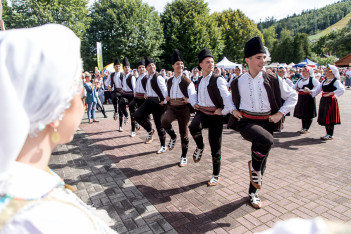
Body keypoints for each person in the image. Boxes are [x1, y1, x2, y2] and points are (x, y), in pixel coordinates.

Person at [0, 24, 116, 233]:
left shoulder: (16, 176)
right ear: (56, 112)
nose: (82, 105)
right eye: (77, 95)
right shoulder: (49, 220)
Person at [228, 36, 297, 209]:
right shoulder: (238, 81)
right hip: (246, 121)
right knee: (265, 141)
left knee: (262, 158)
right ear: (247, 60)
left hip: (267, 121)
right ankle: (256, 174)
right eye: (258, 57)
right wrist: (232, 109)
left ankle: (253, 193)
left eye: (264, 57)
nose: (263, 61)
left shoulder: (273, 79)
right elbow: (228, 98)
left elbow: (292, 96)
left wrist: (280, 113)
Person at [189, 48, 234, 186]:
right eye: (207, 62)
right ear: (201, 65)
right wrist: (195, 103)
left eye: (212, 62)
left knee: (215, 146)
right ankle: (200, 146)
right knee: (193, 126)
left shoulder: (218, 79)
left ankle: (216, 174)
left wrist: (224, 111)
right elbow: (197, 95)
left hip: (215, 116)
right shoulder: (201, 80)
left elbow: (228, 99)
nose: (211, 64)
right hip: (202, 113)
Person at [161, 49, 197, 167]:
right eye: (177, 64)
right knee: (164, 120)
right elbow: (166, 92)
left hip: (183, 108)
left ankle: (183, 156)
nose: (180, 66)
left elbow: (193, 96)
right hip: (172, 107)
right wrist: (165, 97)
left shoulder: (187, 81)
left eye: (181, 64)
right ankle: (172, 136)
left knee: (184, 133)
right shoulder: (170, 80)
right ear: (173, 66)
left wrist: (189, 100)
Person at [134, 56, 168, 154]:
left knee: (159, 125)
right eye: (149, 65)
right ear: (146, 68)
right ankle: (149, 130)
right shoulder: (147, 78)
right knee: (137, 115)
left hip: (158, 103)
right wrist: (146, 93)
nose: (152, 66)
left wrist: (164, 101)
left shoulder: (158, 77)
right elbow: (148, 89)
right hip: (149, 101)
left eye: (153, 65)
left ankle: (163, 146)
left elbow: (165, 91)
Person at [307, 65, 345, 140]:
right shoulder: (325, 81)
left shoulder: (335, 81)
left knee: (329, 116)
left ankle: (330, 134)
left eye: (327, 71)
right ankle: (327, 133)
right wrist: (310, 91)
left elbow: (342, 89)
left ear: (331, 72)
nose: (325, 72)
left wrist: (332, 93)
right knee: (325, 116)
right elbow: (317, 90)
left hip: (330, 100)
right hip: (324, 100)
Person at [293, 66, 320, 134]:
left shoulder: (312, 80)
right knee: (302, 112)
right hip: (301, 97)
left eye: (305, 71)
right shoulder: (300, 79)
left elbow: (318, 87)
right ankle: (303, 127)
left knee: (308, 112)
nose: (303, 73)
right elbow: (294, 87)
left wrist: (310, 90)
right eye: (302, 71)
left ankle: (307, 128)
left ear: (309, 72)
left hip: (308, 97)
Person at [128, 59, 148, 137]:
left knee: (145, 117)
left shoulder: (146, 77)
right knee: (132, 109)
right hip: (137, 98)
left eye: (143, 67)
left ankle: (149, 132)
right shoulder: (137, 78)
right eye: (140, 67)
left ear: (145, 68)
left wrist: (146, 94)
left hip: (144, 99)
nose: (141, 69)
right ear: (138, 69)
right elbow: (136, 88)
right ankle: (133, 130)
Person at [118, 57, 135, 133]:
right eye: (125, 67)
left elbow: (134, 88)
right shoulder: (122, 76)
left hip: (132, 95)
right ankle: (126, 115)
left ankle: (133, 131)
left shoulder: (132, 77)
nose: (127, 68)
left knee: (133, 113)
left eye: (128, 67)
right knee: (121, 103)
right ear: (123, 68)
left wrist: (135, 98)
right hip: (125, 94)